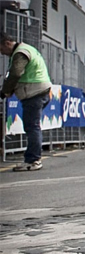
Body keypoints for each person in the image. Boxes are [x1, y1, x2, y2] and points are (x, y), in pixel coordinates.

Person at [1, 32, 52, 171]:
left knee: (32, 127)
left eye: (1, 49)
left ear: (7, 43)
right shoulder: (27, 48)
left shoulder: (20, 53)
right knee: (33, 126)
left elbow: (16, 73)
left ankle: (33, 160)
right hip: (42, 90)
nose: (2, 53)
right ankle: (33, 158)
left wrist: (5, 91)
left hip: (33, 93)